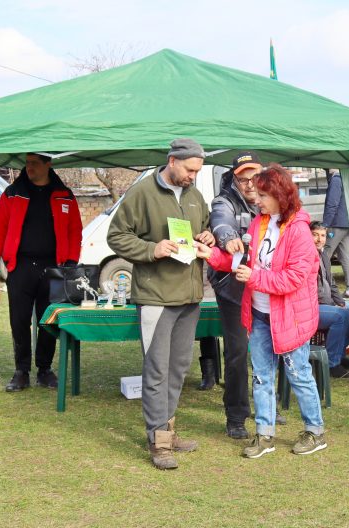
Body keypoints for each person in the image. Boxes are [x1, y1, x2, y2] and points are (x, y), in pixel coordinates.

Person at [198, 164, 326, 459]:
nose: (257, 199)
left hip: (291, 317)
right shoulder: (260, 223)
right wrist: (214, 257)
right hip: (258, 315)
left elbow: (294, 279)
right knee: (261, 376)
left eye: (263, 195)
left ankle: (315, 431)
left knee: (299, 374)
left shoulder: (299, 232)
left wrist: (255, 279)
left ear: (280, 195)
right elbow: (244, 259)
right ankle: (264, 434)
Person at [107, 138, 215, 470]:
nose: (193, 177)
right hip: (155, 297)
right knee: (156, 370)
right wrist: (151, 250)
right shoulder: (141, 194)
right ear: (172, 161)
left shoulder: (196, 196)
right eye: (189, 169)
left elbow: (206, 226)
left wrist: (207, 235)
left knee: (179, 369)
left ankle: (168, 429)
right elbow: (116, 235)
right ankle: (159, 441)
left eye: (198, 171)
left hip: (189, 296)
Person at [0, 153, 83, 392]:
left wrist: (69, 264)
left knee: (48, 321)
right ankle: (21, 371)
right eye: (27, 163)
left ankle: (45, 369)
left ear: (48, 165)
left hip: (55, 268)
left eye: (34, 163)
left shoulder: (65, 195)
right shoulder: (12, 194)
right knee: (19, 321)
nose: (29, 168)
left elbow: (74, 231)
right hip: (21, 268)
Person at [205, 151, 262, 438]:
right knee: (238, 352)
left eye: (255, 177)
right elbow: (221, 222)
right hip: (233, 289)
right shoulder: (223, 201)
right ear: (234, 179)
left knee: (267, 350)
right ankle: (236, 416)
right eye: (244, 179)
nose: (250, 184)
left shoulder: (270, 203)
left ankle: (266, 407)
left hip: (265, 287)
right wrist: (228, 240)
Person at [310, 221, 349, 378]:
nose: (320, 239)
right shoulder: (306, 256)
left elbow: (331, 284)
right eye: (315, 235)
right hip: (312, 308)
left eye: (323, 235)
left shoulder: (323, 255)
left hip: (327, 303)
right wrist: (334, 306)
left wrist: (339, 302)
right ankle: (332, 364)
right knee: (341, 315)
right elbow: (311, 290)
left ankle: (338, 354)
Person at [322, 169, 349, 298]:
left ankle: (325, 286)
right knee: (344, 256)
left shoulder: (336, 179)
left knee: (324, 254)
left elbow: (332, 204)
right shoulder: (346, 179)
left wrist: (325, 225)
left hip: (335, 225)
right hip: (346, 224)